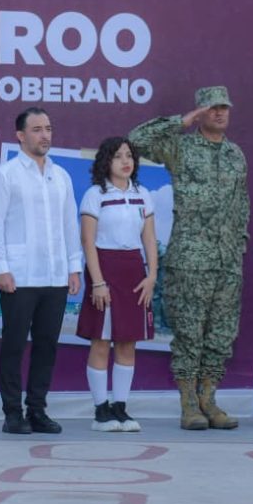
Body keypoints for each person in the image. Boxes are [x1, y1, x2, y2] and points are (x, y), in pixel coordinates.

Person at [129, 86, 249, 430]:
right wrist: (182, 122)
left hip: (227, 261)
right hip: (190, 259)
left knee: (221, 335)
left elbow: (242, 204)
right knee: (189, 335)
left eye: (225, 107)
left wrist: (240, 243)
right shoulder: (180, 147)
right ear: (200, 112)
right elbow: (136, 140)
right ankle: (188, 405)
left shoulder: (235, 154)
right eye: (212, 109)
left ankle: (209, 400)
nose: (220, 113)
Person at [0, 107, 82, 435]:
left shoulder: (62, 176)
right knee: (13, 346)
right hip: (19, 276)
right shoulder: (7, 174)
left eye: (48, 129)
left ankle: (38, 410)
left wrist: (74, 267)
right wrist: (1, 268)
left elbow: (70, 224)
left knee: (47, 346)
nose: (45, 135)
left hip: (56, 275)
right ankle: (13, 413)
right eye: (37, 129)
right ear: (20, 135)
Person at [76, 137, 158, 432]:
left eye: (129, 156)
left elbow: (149, 238)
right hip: (105, 269)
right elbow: (88, 242)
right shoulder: (94, 195)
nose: (126, 161)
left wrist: (151, 276)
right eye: (118, 156)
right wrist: (97, 283)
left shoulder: (143, 195)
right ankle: (101, 411)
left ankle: (121, 408)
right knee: (101, 340)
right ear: (105, 162)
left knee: (128, 341)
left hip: (135, 270)